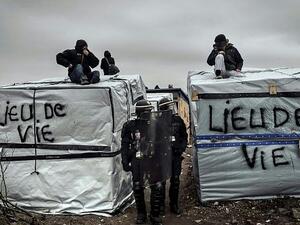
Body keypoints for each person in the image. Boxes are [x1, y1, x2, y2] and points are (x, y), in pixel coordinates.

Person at [121, 99, 165, 225]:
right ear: (140, 112)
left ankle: (155, 215)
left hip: (152, 159)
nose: (149, 113)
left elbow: (163, 143)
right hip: (137, 160)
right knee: (137, 187)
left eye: (150, 110)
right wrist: (125, 161)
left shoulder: (156, 125)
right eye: (147, 111)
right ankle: (141, 214)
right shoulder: (130, 126)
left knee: (156, 186)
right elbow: (125, 145)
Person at [158, 97, 187, 215]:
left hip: (175, 156)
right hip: (162, 157)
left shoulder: (178, 120)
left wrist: (181, 149)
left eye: (168, 106)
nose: (168, 108)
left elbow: (184, 136)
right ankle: (160, 206)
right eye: (165, 107)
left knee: (175, 181)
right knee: (162, 182)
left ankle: (173, 204)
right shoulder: (156, 122)